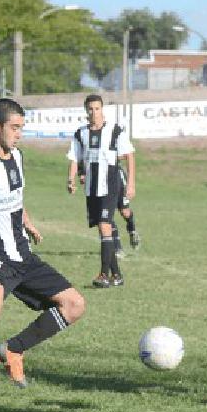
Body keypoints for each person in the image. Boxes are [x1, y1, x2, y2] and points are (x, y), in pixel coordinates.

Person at [0, 98, 87, 407]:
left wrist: (28, 222)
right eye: (15, 127)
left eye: (22, 127)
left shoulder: (17, 157)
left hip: (22, 253)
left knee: (74, 305)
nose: (19, 133)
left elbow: (14, 198)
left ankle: (13, 349)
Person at [67, 94, 136, 288]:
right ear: (86, 110)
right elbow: (74, 158)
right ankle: (117, 275)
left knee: (105, 225)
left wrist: (130, 184)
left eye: (97, 109)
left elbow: (130, 155)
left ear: (102, 109)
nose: (93, 112)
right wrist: (71, 179)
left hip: (110, 185)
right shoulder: (81, 133)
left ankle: (103, 274)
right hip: (91, 187)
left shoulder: (115, 130)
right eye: (90, 109)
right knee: (102, 229)